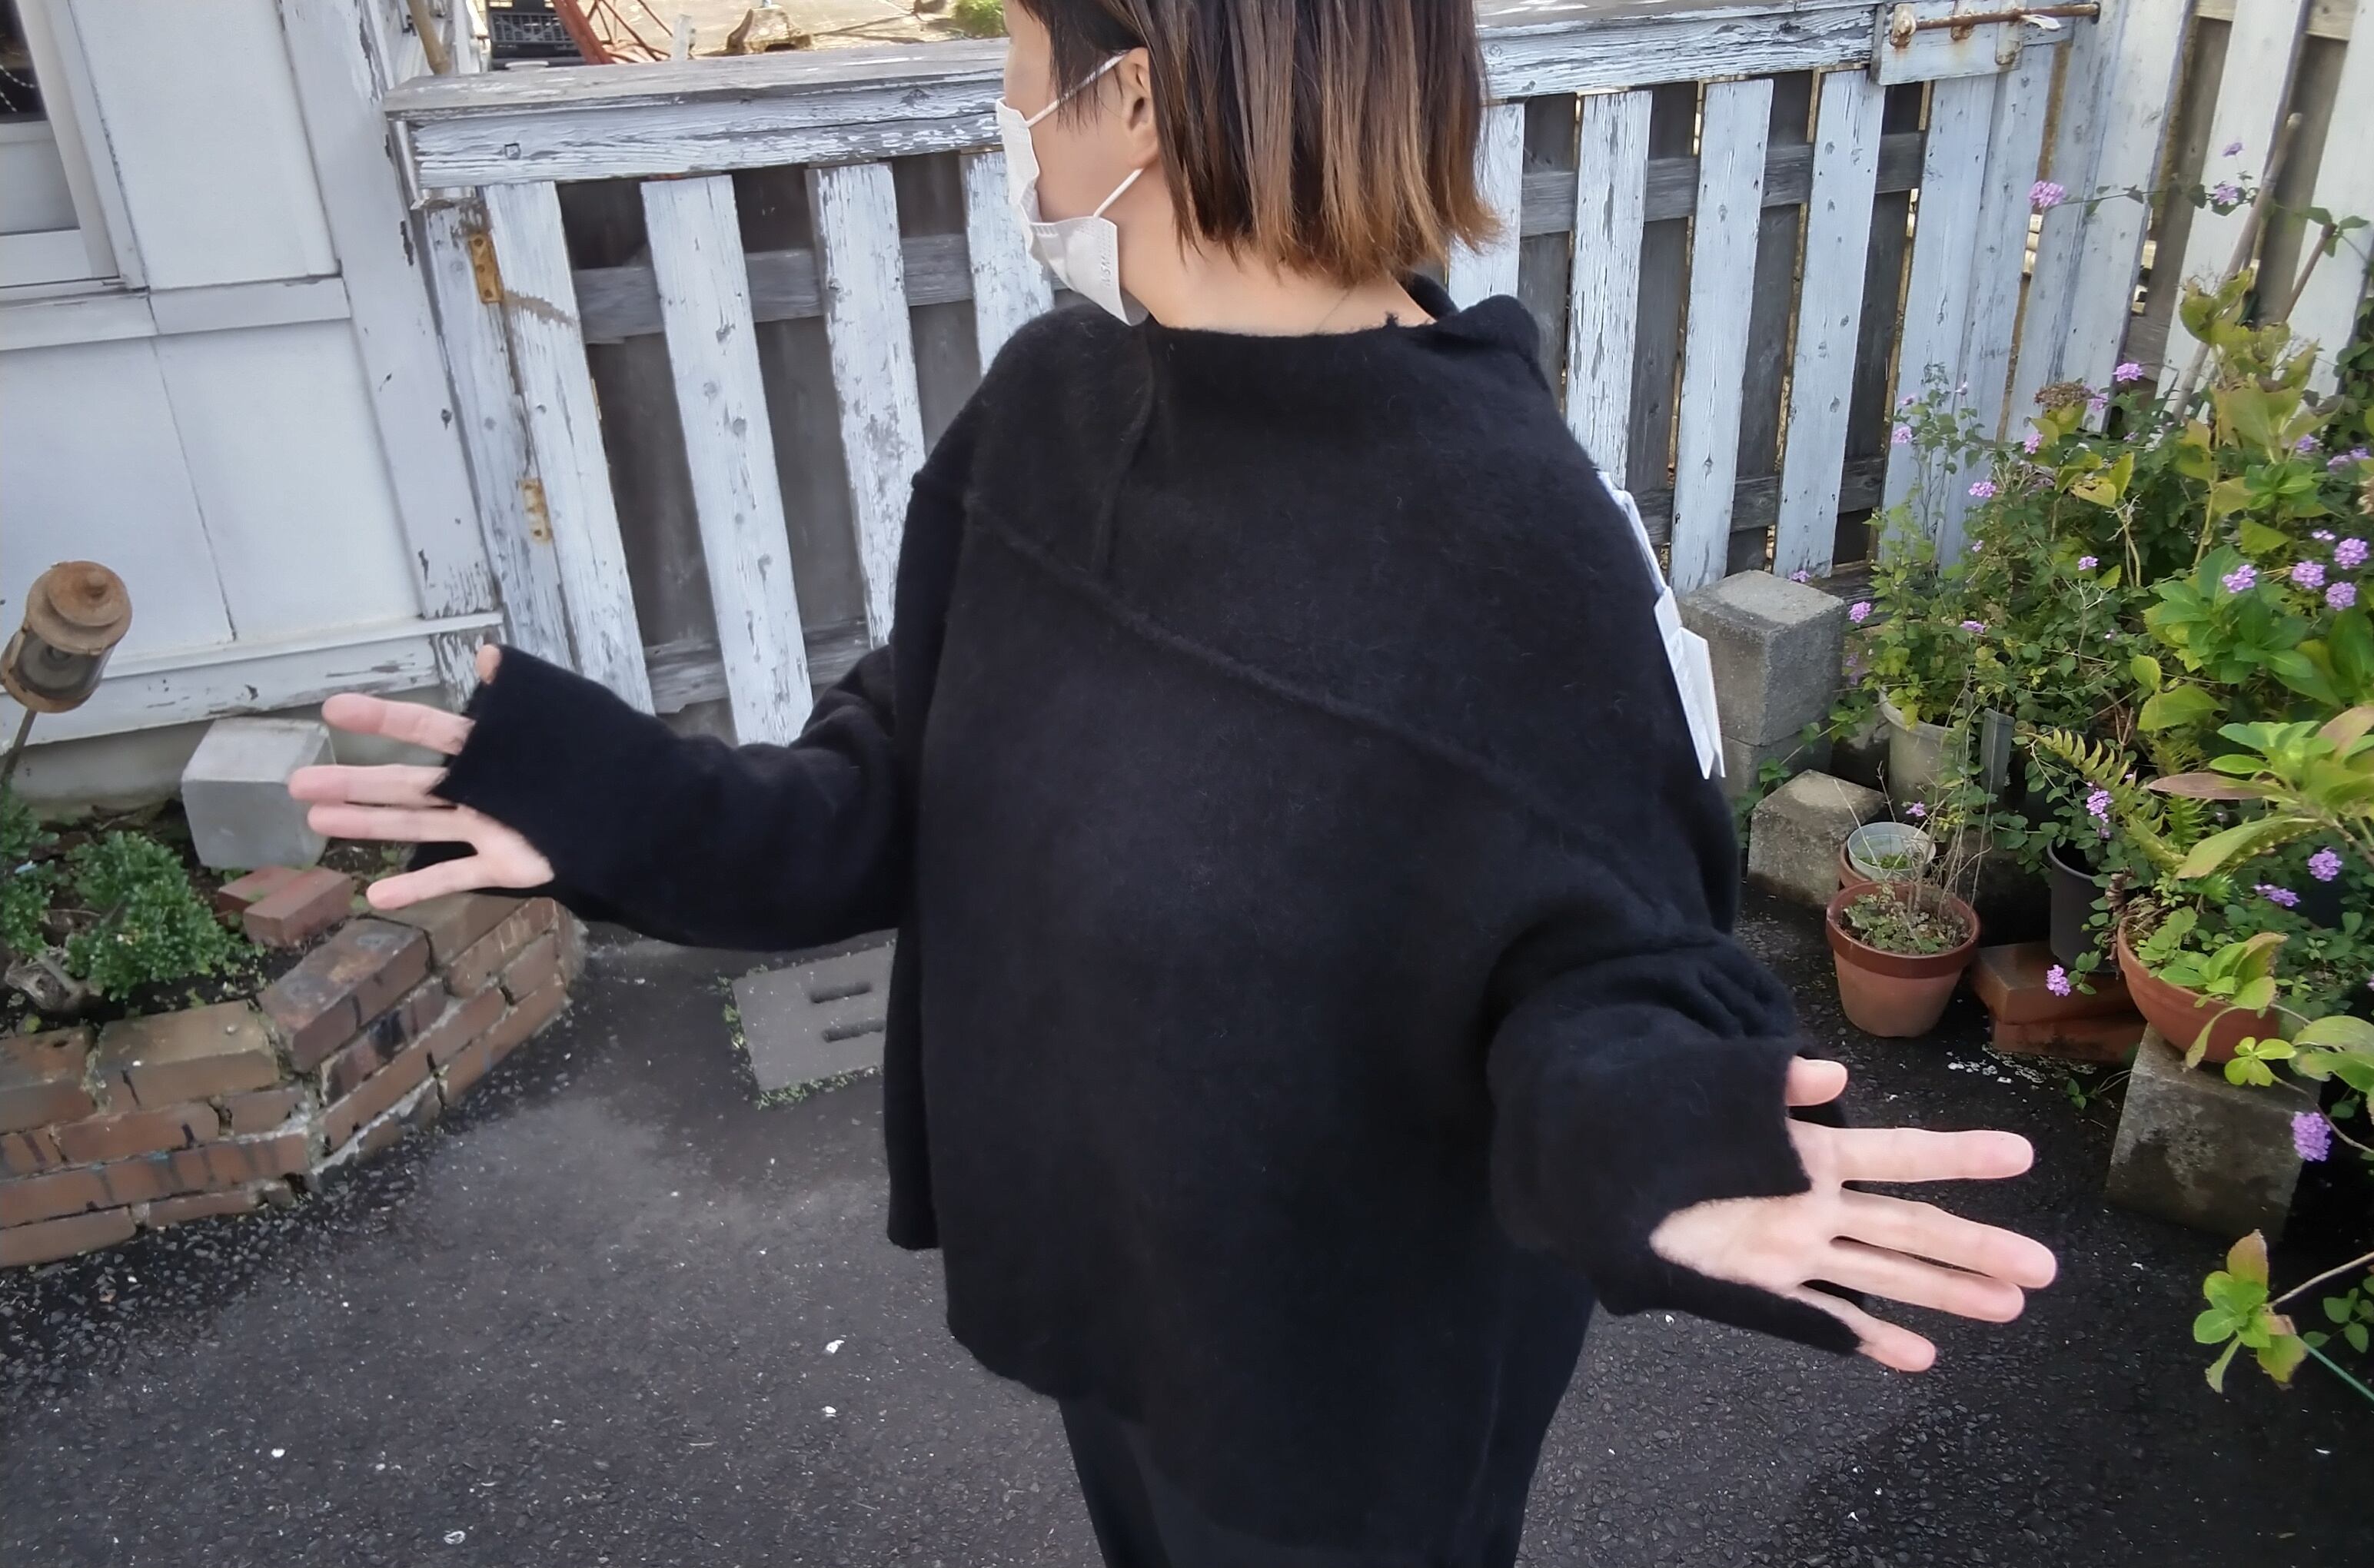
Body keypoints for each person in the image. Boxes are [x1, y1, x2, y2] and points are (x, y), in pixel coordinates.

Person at [294, 2, 2058, 1563]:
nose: (1006, 105)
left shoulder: (1517, 533)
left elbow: (1610, 965)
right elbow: (899, 777)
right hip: (1121, 1298)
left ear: (1130, 96)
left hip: (1342, 1411)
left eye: (1018, 57)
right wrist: (620, 805)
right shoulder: (1052, 410)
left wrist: (1663, 1141)